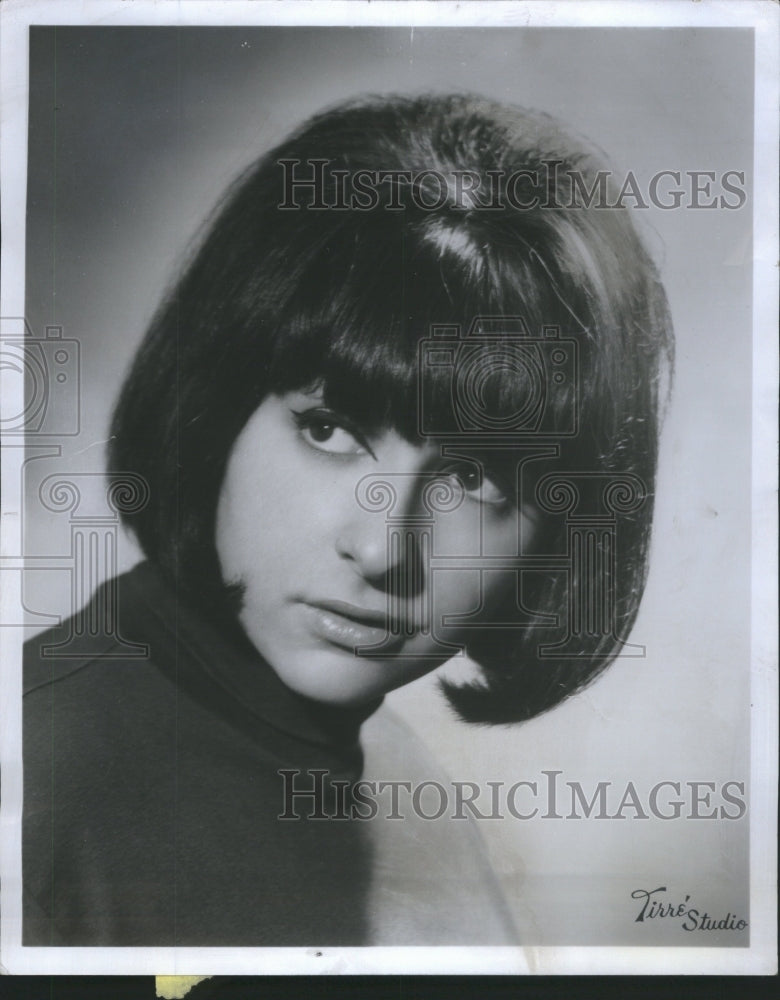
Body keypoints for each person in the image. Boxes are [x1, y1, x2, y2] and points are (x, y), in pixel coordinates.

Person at [23, 93, 673, 946]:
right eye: (327, 430)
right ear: (214, 409)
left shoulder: (409, 794)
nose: (379, 547)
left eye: (474, 477)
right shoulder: (39, 773)